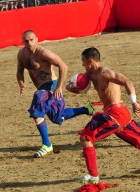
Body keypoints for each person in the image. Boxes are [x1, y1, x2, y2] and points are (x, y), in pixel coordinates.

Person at [67, 47, 140, 184]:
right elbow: (74, 86)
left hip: (116, 113)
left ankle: (93, 175)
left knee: (86, 138)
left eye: (83, 61)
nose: (82, 64)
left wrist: (134, 102)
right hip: (117, 115)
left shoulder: (106, 73)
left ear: (90, 61)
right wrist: (69, 87)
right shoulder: (89, 75)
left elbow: (127, 82)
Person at [16, 30, 94, 158]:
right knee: (59, 117)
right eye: (26, 41)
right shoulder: (21, 54)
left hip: (51, 85)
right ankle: (86, 109)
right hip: (42, 87)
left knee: (37, 107)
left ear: (36, 39)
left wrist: (58, 87)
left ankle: (46, 144)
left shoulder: (43, 53)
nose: (29, 43)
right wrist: (21, 83)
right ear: (23, 41)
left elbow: (63, 66)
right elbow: (19, 71)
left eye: (31, 40)